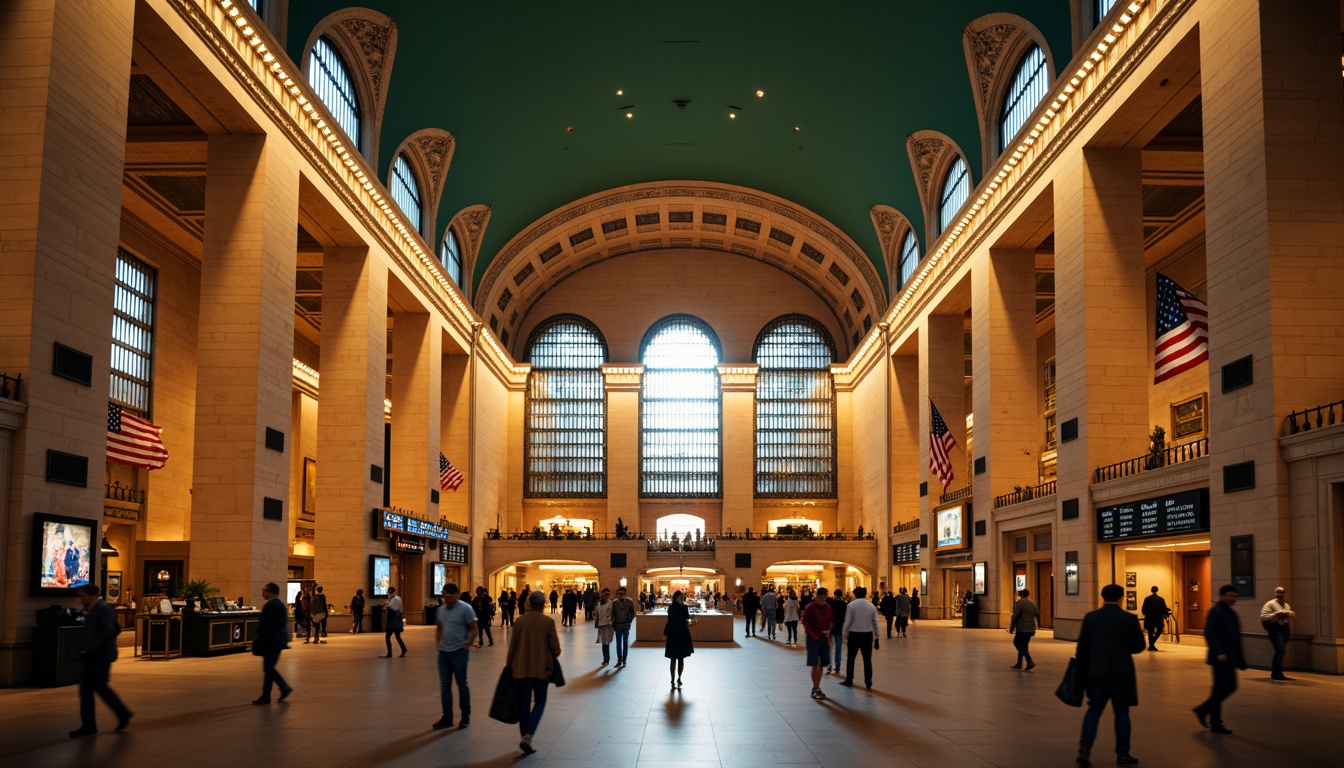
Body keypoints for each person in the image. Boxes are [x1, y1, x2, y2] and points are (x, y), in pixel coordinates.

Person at [1075, 583, 1144, 766]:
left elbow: (1082, 649)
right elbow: (1139, 646)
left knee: (1094, 710)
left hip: (1096, 672)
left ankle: (1085, 747)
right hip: (1121, 673)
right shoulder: (1129, 619)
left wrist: (1083, 673)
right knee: (1122, 713)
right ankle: (1123, 753)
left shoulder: (1091, 618)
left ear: (1102, 597)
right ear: (1121, 598)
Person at [69, 585, 133, 736]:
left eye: (83, 596)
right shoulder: (98, 608)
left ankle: (121, 713)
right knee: (90, 690)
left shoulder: (102, 608)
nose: (80, 599)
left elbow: (109, 630)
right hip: (96, 655)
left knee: (99, 688)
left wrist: (92, 647)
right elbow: (115, 628)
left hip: (99, 656)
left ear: (92, 595)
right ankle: (91, 724)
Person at [508, 590, 560, 755]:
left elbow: (512, 647)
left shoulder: (519, 621)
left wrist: (509, 664)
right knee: (540, 702)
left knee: (524, 703)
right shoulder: (548, 622)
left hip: (521, 669)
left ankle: (524, 736)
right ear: (543, 604)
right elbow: (556, 650)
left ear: (529, 603)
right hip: (541, 670)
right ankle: (528, 736)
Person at [1193, 585, 1246, 735]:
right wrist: (1219, 652)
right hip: (1220, 658)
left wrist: (1240, 659)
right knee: (1220, 688)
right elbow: (1210, 633)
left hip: (1229, 657)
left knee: (1230, 686)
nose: (1233, 599)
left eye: (1235, 596)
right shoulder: (1216, 611)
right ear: (1222, 596)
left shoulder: (1231, 613)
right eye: (1230, 596)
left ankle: (1203, 710)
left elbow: (1235, 637)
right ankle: (1215, 721)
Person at [432, 583, 478, 730]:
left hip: (459, 653)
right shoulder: (441, 610)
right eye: (444, 594)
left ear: (456, 594)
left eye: (449, 594)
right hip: (444, 654)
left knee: (461, 684)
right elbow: (439, 628)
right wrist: (438, 644)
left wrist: (468, 643)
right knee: (445, 686)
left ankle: (465, 716)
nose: (446, 597)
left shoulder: (466, 608)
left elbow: (474, 628)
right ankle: (447, 717)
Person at [252, 581, 293, 705]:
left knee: (268, 668)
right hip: (277, 640)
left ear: (271, 592)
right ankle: (266, 695)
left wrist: (259, 636)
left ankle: (283, 688)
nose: (263, 593)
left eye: (265, 590)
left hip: (272, 641)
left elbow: (266, 624)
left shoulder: (271, 605)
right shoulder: (279, 604)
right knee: (268, 668)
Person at [841, 585, 879, 689]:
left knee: (851, 658)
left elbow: (848, 621)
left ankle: (849, 680)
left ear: (855, 594)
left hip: (854, 634)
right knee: (867, 659)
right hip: (867, 635)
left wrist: (845, 633)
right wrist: (877, 636)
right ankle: (868, 682)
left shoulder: (851, 605)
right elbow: (875, 622)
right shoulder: (871, 606)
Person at [802, 586, 833, 700]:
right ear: (817, 597)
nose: (823, 601)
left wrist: (829, 631)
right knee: (815, 663)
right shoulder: (810, 607)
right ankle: (816, 687)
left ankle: (817, 686)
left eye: (825, 598)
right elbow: (805, 622)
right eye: (821, 598)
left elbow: (831, 620)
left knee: (821, 664)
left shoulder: (828, 608)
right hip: (813, 639)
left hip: (823, 638)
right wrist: (813, 635)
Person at [1260, 586, 1295, 681]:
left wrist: (1287, 615)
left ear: (1285, 594)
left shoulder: (1286, 606)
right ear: (1275, 593)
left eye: (1282, 593)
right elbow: (1264, 617)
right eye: (1278, 593)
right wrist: (1276, 615)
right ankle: (1276, 673)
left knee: (1281, 651)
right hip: (1275, 630)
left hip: (1283, 629)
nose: (1280, 595)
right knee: (1280, 651)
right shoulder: (1271, 604)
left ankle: (1277, 672)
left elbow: (1286, 617)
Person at [663, 590, 694, 688]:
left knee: (673, 658)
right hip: (682, 634)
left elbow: (670, 620)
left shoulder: (671, 608)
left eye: (682, 597)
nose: (681, 599)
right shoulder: (684, 608)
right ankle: (678, 678)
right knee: (680, 658)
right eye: (680, 597)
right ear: (676, 598)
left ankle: (673, 679)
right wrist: (692, 618)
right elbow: (687, 619)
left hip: (673, 634)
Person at [1008, 588, 1039, 670]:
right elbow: (1037, 614)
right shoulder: (1032, 603)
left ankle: (1029, 660)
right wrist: (1037, 625)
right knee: (1024, 645)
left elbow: (1015, 616)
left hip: (1022, 628)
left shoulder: (1019, 603)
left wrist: (1012, 626)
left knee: (1017, 643)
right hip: (1030, 628)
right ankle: (1019, 663)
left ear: (1020, 594)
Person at [611, 585, 636, 668]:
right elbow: (613, 614)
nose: (620, 595)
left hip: (625, 625)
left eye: (622, 593)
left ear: (625, 593)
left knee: (625, 642)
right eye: (619, 593)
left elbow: (632, 613)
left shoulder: (629, 602)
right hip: (618, 625)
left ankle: (624, 659)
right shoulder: (614, 603)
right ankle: (619, 659)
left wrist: (629, 622)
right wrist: (613, 624)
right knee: (618, 643)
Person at [1140, 586, 1168, 651]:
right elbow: (1164, 609)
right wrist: (1165, 615)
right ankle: (1152, 642)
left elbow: (1143, 609)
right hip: (1158, 617)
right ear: (1157, 590)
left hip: (1149, 618)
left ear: (1151, 590)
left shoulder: (1147, 599)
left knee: (1150, 632)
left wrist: (1146, 614)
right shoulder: (1161, 599)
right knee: (1159, 630)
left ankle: (1151, 644)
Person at [828, 590, 848, 673]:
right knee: (838, 648)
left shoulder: (831, 603)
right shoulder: (844, 604)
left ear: (835, 595)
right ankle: (838, 666)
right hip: (839, 628)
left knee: (829, 647)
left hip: (830, 627)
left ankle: (829, 665)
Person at [384, 586, 407, 657]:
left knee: (388, 637)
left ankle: (390, 653)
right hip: (394, 619)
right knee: (397, 636)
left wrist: (388, 602)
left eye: (390, 591)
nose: (389, 593)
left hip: (394, 619)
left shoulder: (395, 599)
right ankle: (403, 649)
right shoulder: (397, 598)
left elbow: (391, 607)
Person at [594, 587, 614, 665]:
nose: (603, 596)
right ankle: (605, 658)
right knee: (603, 643)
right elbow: (598, 615)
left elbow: (612, 614)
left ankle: (607, 659)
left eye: (605, 595)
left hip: (607, 625)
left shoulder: (610, 603)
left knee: (606, 642)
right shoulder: (599, 603)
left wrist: (610, 623)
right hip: (601, 625)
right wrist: (597, 624)